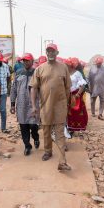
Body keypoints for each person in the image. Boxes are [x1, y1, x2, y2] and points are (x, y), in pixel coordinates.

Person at [30, 43, 72, 171]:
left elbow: (68, 88)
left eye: (53, 51)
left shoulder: (63, 67)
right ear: (46, 53)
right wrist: (33, 106)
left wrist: (67, 104)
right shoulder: (40, 69)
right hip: (45, 106)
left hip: (60, 105)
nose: (51, 53)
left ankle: (62, 161)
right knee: (46, 131)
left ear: (57, 53)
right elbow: (33, 88)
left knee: (59, 133)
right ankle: (48, 151)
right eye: (48, 51)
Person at [10, 53, 40, 156]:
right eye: (24, 60)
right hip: (21, 105)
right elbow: (13, 89)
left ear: (32, 61)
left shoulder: (37, 73)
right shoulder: (18, 73)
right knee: (23, 126)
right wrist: (12, 104)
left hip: (33, 104)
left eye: (28, 60)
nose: (26, 62)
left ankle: (36, 137)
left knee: (33, 124)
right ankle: (27, 145)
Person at [64, 58, 88, 136]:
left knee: (76, 112)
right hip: (67, 95)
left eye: (66, 64)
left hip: (75, 95)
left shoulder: (77, 73)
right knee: (67, 112)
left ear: (70, 65)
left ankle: (77, 128)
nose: (64, 66)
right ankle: (69, 128)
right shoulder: (65, 73)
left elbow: (82, 84)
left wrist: (77, 95)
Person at [0, 52, 11, 133]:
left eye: (0, 61)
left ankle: (3, 128)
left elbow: (8, 77)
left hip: (3, 93)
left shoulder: (6, 66)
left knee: (3, 110)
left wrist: (7, 87)